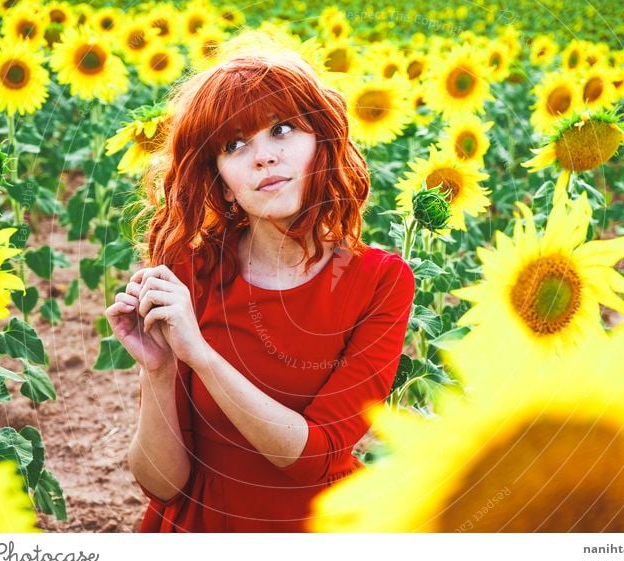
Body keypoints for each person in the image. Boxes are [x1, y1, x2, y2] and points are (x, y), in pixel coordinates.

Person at [105, 34, 415, 533]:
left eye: (283, 129)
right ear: (220, 178)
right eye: (235, 145)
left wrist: (200, 354)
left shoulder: (380, 283)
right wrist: (160, 372)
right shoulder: (191, 269)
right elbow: (162, 485)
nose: (263, 157)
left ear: (322, 141)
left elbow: (316, 459)